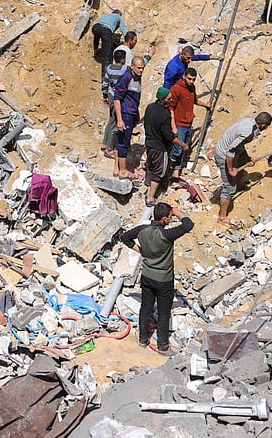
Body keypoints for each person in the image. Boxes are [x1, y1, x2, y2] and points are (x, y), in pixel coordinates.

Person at [116, 202, 193, 355]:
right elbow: (188, 225)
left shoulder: (142, 230)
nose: (171, 219)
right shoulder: (167, 235)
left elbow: (124, 237)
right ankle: (163, 346)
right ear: (164, 219)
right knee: (164, 314)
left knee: (146, 308)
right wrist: (177, 212)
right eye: (170, 217)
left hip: (147, 277)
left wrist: (141, 251)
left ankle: (143, 340)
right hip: (164, 280)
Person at [213, 112, 272, 225]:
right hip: (224, 155)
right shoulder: (248, 132)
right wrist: (230, 170)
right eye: (266, 127)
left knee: (240, 166)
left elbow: (239, 145)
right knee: (229, 188)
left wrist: (247, 158)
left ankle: (238, 187)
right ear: (263, 125)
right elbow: (230, 151)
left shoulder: (249, 122)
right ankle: (222, 217)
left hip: (232, 152)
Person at [142, 87, 187, 205]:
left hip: (149, 144)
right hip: (159, 148)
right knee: (158, 172)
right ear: (162, 99)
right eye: (169, 98)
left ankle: (148, 189)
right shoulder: (164, 114)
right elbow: (169, 136)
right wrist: (182, 144)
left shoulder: (150, 107)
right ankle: (150, 198)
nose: (171, 99)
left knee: (151, 167)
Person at [167, 67, 212, 173]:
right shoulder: (176, 89)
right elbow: (170, 108)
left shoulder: (192, 88)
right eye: (189, 79)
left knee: (184, 149)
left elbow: (194, 100)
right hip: (179, 124)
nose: (191, 81)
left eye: (193, 79)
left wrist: (206, 105)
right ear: (184, 76)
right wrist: (173, 126)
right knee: (177, 149)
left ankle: (176, 172)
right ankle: (167, 169)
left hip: (188, 123)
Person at [112, 56, 146, 179]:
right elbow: (117, 99)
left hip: (131, 113)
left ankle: (116, 169)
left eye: (143, 68)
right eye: (139, 68)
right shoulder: (127, 78)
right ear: (132, 66)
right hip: (125, 114)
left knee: (120, 140)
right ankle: (123, 170)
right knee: (124, 143)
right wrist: (120, 119)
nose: (141, 70)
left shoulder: (138, 78)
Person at [99, 47, 130, 158]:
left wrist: (104, 95)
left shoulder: (109, 68)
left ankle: (104, 143)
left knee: (111, 120)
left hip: (111, 95)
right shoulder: (125, 69)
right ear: (122, 59)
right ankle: (109, 149)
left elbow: (105, 83)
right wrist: (148, 56)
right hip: (119, 97)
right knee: (116, 122)